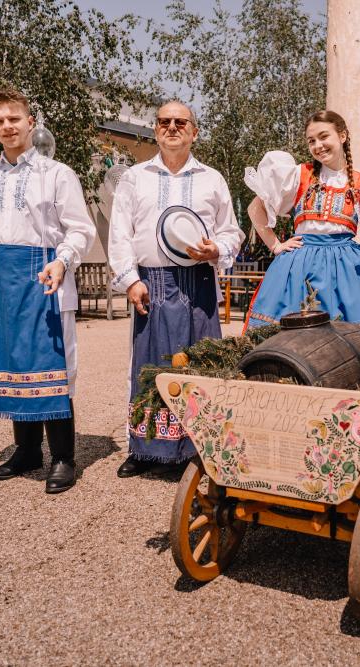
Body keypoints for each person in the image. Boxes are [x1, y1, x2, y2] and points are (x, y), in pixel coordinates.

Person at [0, 87, 96, 494]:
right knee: (15, 365)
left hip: (45, 276)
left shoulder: (57, 174)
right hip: (2, 281)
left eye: (14, 118)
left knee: (53, 368)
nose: (7, 126)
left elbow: (81, 229)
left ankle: (64, 457)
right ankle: (28, 451)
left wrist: (63, 260)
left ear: (30, 122)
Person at [108, 101, 245, 477]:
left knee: (201, 365)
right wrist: (130, 279)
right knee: (149, 365)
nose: (172, 127)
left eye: (180, 122)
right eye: (164, 121)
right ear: (155, 129)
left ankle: (198, 448)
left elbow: (231, 231)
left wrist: (218, 249)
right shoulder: (134, 177)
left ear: (194, 132)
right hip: (151, 282)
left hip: (199, 281)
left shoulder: (212, 179)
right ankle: (144, 448)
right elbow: (119, 233)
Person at [244, 110, 360, 347]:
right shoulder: (299, 175)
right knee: (290, 342)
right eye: (311, 140)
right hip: (299, 266)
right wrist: (275, 245)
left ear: (342, 136)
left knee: (350, 343)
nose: (318, 145)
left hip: (346, 268)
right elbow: (255, 208)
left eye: (323, 136)